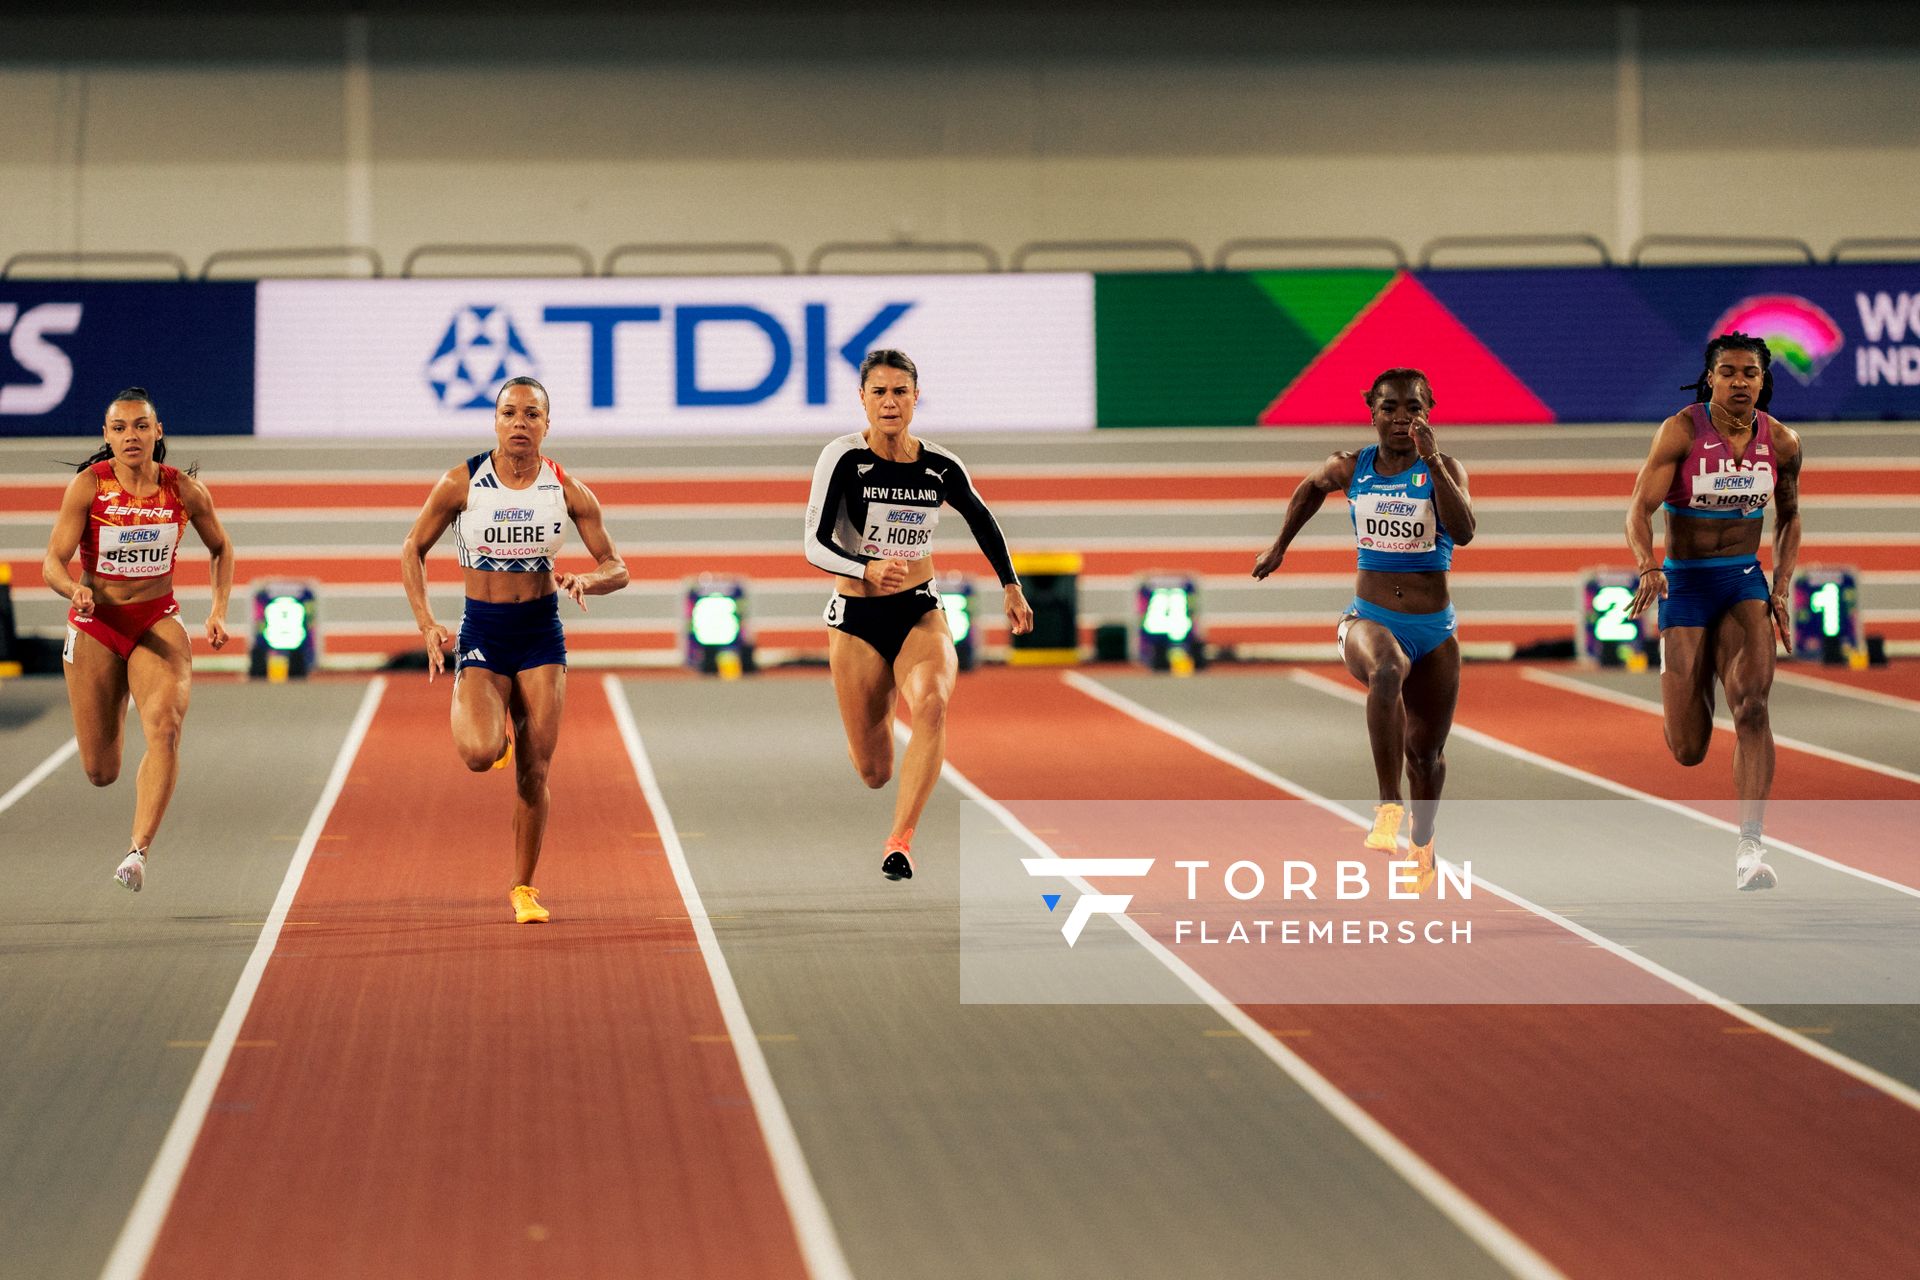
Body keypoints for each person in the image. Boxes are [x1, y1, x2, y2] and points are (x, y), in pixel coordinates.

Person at [400, 376, 628, 923]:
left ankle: (523, 887)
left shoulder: (568, 489)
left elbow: (617, 567)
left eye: (531, 415)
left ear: (548, 424)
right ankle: (489, 721)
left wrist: (587, 582)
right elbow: (412, 548)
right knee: (480, 755)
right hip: (483, 632)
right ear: (495, 421)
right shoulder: (462, 482)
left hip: (540, 635)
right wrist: (428, 623)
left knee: (535, 770)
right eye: (509, 414)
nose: (519, 424)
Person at [804, 349, 1033, 880]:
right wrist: (865, 567)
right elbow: (812, 544)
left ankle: (900, 842)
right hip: (857, 620)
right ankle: (875, 722)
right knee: (874, 770)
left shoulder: (939, 466)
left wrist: (1011, 585)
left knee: (932, 703)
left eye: (899, 392)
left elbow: (982, 518)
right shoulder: (841, 457)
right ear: (862, 399)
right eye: (879, 392)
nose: (890, 402)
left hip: (919, 610)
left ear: (915, 397)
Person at [1253, 368, 1475, 892]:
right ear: (1371, 412)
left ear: (1429, 411)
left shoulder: (1444, 469)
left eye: (1414, 408)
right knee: (1387, 668)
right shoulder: (1351, 467)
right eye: (1390, 408)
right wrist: (1279, 546)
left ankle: (1421, 843)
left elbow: (1463, 532)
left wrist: (1434, 462)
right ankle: (1387, 806)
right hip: (1368, 618)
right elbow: (1310, 488)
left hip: (1435, 629)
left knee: (1426, 756)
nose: (1402, 419)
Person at [1626, 333, 1801, 890]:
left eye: (1750, 373)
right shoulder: (1680, 431)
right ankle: (1690, 670)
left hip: (1743, 581)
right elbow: (1638, 509)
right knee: (1687, 748)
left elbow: (1790, 516)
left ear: (1762, 380)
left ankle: (1751, 845)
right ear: (1710, 378)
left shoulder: (1783, 442)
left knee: (1752, 706)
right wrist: (1648, 565)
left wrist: (1780, 584)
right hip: (1685, 585)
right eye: (1728, 372)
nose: (1740, 382)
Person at [42, 387, 234, 892]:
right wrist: (72, 589)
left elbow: (221, 548)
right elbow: (51, 562)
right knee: (101, 771)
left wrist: (217, 610)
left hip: (156, 620)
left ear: (158, 431)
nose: (131, 436)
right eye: (121, 428)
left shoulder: (185, 491)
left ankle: (137, 851)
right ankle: (114, 693)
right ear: (106, 436)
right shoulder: (88, 486)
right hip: (97, 625)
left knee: (166, 728)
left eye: (141, 426)